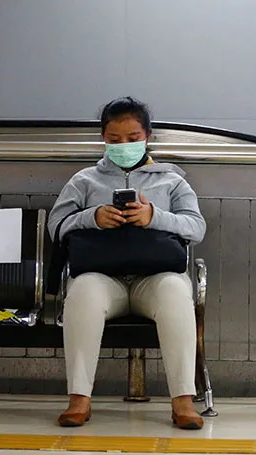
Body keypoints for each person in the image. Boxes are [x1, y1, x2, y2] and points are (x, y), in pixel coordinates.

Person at [47, 97, 207, 429]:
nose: (124, 146)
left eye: (133, 138)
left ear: (148, 136)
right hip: (103, 277)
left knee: (176, 292)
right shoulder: (84, 180)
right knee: (83, 291)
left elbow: (196, 227)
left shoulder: (173, 180)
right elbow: (56, 226)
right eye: (114, 139)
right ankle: (79, 398)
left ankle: (183, 400)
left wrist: (153, 216)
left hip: (155, 277)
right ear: (103, 139)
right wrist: (92, 217)